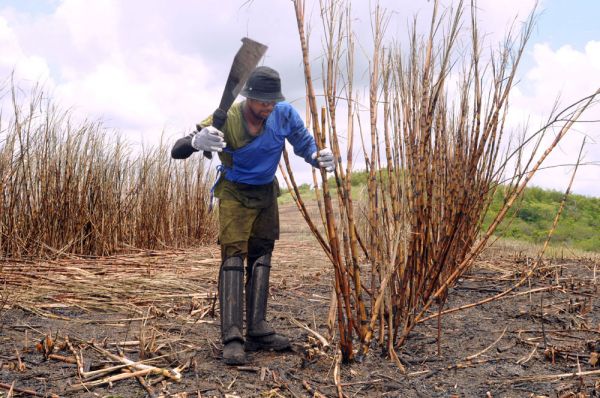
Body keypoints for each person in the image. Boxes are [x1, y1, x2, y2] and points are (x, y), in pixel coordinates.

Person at [171, 66, 335, 365]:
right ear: (248, 98)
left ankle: (257, 330)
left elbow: (304, 144)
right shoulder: (227, 118)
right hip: (234, 192)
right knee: (233, 258)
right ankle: (232, 337)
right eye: (263, 102)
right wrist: (196, 142)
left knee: (262, 256)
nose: (268, 107)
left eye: (272, 102)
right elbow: (177, 150)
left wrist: (319, 157)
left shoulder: (283, 114)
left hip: (265, 193)